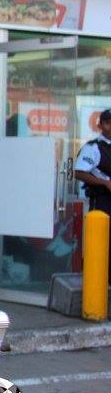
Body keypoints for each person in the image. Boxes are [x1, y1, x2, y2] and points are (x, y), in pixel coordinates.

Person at [74, 109, 111, 280]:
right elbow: (79, 172)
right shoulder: (94, 147)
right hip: (102, 201)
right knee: (101, 244)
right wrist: (104, 183)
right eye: (108, 123)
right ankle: (99, 284)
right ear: (101, 125)